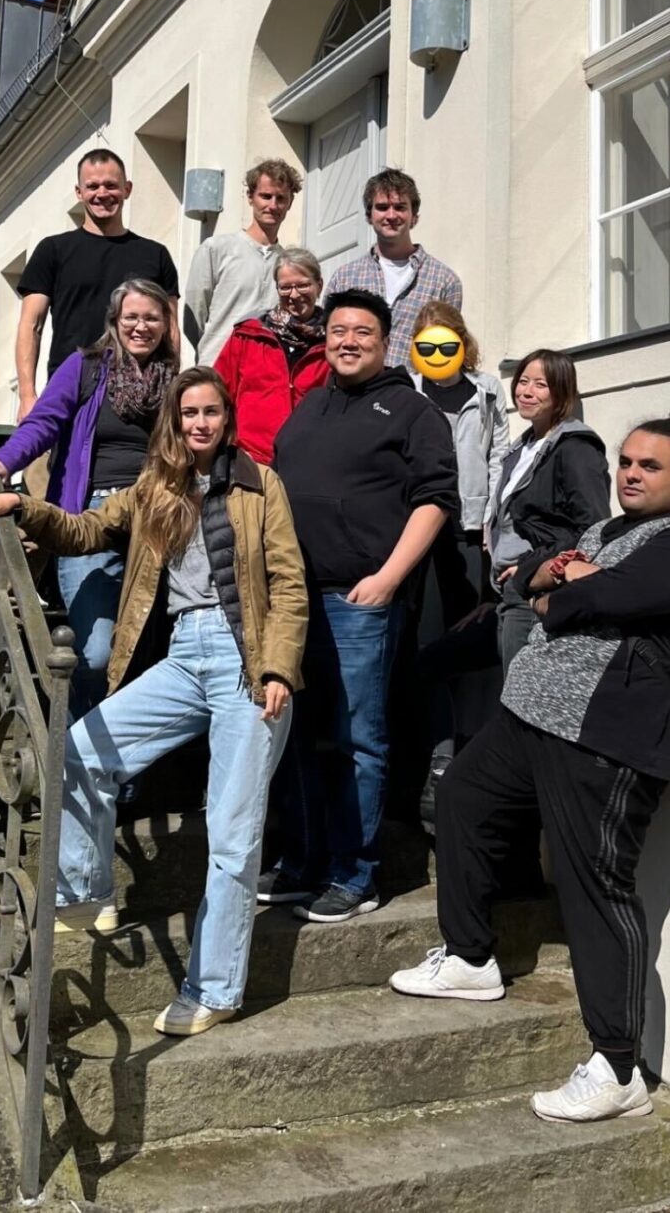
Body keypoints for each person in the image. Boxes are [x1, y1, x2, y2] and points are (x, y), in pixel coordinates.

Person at [390, 404, 670, 1126]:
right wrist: (554, 578)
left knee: (594, 887)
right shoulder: (605, 532)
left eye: (650, 466)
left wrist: (565, 586)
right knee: (462, 799)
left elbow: (599, 596)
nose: (632, 474)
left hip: (607, 735)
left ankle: (618, 1066)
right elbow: (520, 584)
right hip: (531, 718)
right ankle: (471, 957)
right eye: (627, 462)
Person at [0, 367, 307, 1037]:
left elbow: (289, 582)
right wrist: (23, 508)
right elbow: (86, 529)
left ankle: (215, 989)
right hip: (186, 655)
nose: (200, 424)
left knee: (233, 838)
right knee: (84, 749)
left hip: (249, 661)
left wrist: (278, 670)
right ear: (174, 422)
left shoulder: (260, 483)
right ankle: (83, 888)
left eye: (211, 412)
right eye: (189, 414)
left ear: (225, 418)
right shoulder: (156, 487)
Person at [259, 289, 459, 922]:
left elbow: (435, 501)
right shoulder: (309, 407)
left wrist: (387, 579)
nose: (347, 340)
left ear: (384, 342)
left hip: (358, 601)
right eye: (338, 330)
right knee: (295, 736)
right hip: (294, 602)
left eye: (362, 333)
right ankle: (301, 862)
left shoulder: (412, 411)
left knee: (357, 741)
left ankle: (355, 875)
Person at [0, 280, 179, 717]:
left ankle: (112, 778)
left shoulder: (174, 382)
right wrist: (5, 459)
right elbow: (44, 422)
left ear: (166, 323)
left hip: (153, 522)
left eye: (151, 318)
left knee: (142, 655)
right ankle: (74, 754)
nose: (141, 327)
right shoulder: (85, 367)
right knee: (98, 652)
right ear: (115, 321)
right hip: (91, 519)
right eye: (132, 317)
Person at [407, 300, 510, 814]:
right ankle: (435, 756)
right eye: (427, 345)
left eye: (445, 343)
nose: (437, 354)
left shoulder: (487, 389)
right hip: (422, 533)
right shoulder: (408, 388)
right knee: (428, 647)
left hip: (471, 533)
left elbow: (497, 455)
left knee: (470, 644)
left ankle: (464, 757)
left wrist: (490, 519)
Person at [15, 148, 180, 421]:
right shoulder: (53, 250)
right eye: (92, 186)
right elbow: (31, 325)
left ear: (127, 189)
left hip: (141, 393)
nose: (102, 193)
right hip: (71, 389)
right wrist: (27, 395)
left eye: (111, 185)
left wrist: (171, 386)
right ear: (79, 193)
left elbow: (170, 327)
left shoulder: (155, 255)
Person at [485, 349, 610, 673]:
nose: (526, 391)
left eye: (541, 384)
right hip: (505, 589)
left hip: (534, 587)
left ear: (562, 391)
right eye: (523, 381)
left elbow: (593, 526)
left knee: (518, 690)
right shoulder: (522, 448)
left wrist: (531, 567)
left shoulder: (575, 448)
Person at [323, 168, 462, 367]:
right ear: (369, 216)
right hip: (355, 393)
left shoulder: (444, 281)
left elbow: (449, 351)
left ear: (414, 216)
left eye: (400, 207)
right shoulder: (344, 278)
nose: (391, 215)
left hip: (414, 392)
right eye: (382, 207)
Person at [212, 246, 329, 465]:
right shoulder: (248, 336)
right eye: (285, 288)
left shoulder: (332, 342)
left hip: (310, 460)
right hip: (250, 457)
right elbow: (218, 391)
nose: (294, 295)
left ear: (319, 285)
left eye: (303, 285)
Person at [184, 158, 303, 365]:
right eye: (265, 196)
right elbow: (193, 317)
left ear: (290, 203)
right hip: (217, 370)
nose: (273, 205)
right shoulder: (217, 249)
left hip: (265, 376)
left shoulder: (288, 264)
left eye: (281, 198)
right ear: (250, 197)